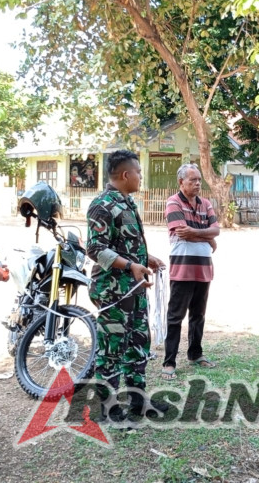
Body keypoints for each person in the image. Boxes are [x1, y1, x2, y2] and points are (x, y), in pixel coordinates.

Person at [86, 150, 167, 421]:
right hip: (113, 291)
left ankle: (138, 400)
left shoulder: (127, 202)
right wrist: (130, 266)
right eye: (139, 172)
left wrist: (145, 259)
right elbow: (95, 248)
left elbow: (125, 243)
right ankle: (106, 407)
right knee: (112, 349)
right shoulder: (103, 205)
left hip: (133, 290)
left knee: (137, 343)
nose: (141, 177)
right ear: (125, 175)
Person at [161, 164, 220, 380]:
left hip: (203, 268)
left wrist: (202, 233)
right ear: (181, 182)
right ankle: (169, 362)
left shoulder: (206, 203)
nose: (197, 184)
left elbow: (217, 230)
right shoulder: (173, 202)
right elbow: (181, 232)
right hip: (182, 269)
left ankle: (195, 354)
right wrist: (207, 236)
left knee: (198, 315)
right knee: (175, 317)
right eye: (192, 180)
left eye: (199, 180)